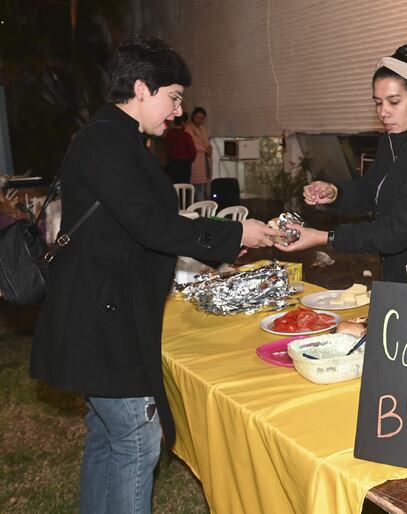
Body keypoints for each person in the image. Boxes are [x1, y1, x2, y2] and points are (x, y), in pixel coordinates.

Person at [31, 35, 278, 513]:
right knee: (138, 436)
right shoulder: (106, 141)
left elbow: (143, 221)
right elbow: (150, 225)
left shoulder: (118, 137)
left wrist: (230, 235)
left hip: (111, 305)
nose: (178, 111)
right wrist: (234, 234)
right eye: (174, 97)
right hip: (103, 312)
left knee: (111, 433)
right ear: (142, 88)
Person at [276, 44, 407, 288]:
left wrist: (325, 237)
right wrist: (335, 193)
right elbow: (370, 192)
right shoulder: (390, 142)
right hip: (402, 277)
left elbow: (397, 231)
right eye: (378, 102)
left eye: (394, 102)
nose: (383, 112)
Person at [186, 106, 211, 200]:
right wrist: (205, 149)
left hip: (203, 158)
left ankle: (201, 203)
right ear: (193, 117)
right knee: (194, 183)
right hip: (194, 158)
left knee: (202, 184)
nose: (200, 120)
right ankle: (194, 205)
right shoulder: (188, 128)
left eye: (202, 118)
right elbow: (192, 144)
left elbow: (206, 141)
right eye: (198, 118)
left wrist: (209, 147)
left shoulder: (203, 128)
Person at [164, 112, 196, 184]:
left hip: (173, 162)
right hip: (185, 164)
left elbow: (168, 149)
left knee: (175, 185)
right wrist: (190, 159)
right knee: (185, 185)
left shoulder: (169, 134)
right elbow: (193, 152)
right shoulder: (186, 135)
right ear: (183, 122)